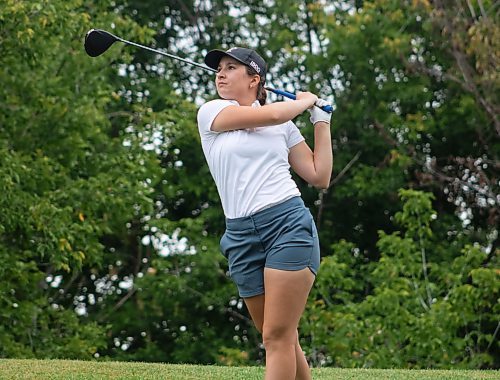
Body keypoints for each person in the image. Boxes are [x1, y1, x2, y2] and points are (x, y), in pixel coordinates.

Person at [197, 46, 332, 380]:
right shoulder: (212, 112)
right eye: (219, 69)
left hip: (287, 225)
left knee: (277, 336)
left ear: (254, 79)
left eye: (231, 68)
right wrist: (305, 101)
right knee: (280, 337)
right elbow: (272, 115)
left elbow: (319, 176)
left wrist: (321, 120)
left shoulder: (283, 127)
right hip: (240, 236)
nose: (221, 74)